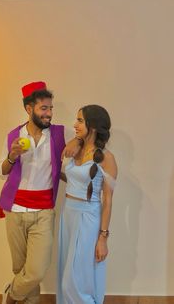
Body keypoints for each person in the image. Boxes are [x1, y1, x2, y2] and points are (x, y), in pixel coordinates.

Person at [0, 81, 81, 304]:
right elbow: (1, 171)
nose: (49, 113)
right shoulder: (13, 136)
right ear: (29, 109)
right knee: (20, 267)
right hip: (14, 209)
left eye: (50, 108)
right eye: (44, 108)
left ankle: (11, 293)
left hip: (43, 211)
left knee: (36, 271)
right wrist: (12, 155)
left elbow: (84, 136)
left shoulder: (58, 134)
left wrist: (77, 139)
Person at [57, 104, 118, 304]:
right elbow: (75, 179)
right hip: (68, 216)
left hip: (88, 217)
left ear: (93, 125)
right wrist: (77, 139)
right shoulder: (76, 148)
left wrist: (103, 238)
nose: (75, 124)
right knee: (65, 273)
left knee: (75, 281)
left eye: (80, 120)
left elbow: (107, 201)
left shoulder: (106, 158)